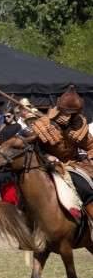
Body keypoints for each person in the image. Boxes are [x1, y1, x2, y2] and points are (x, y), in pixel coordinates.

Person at [29, 86, 93, 217]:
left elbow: (91, 145)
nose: (68, 116)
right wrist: (47, 156)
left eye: (72, 113)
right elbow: (33, 148)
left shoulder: (78, 125)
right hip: (48, 166)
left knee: (87, 187)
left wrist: (90, 157)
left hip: (74, 165)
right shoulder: (43, 124)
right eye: (66, 112)